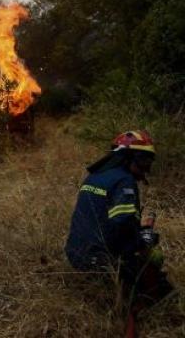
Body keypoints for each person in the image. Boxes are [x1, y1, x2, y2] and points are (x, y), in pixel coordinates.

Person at [65, 130, 173, 307]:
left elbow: (103, 220)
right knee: (162, 289)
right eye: (143, 160)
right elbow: (122, 228)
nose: (146, 167)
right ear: (127, 157)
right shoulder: (125, 181)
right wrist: (144, 240)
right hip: (99, 262)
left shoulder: (94, 176)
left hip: (75, 254)